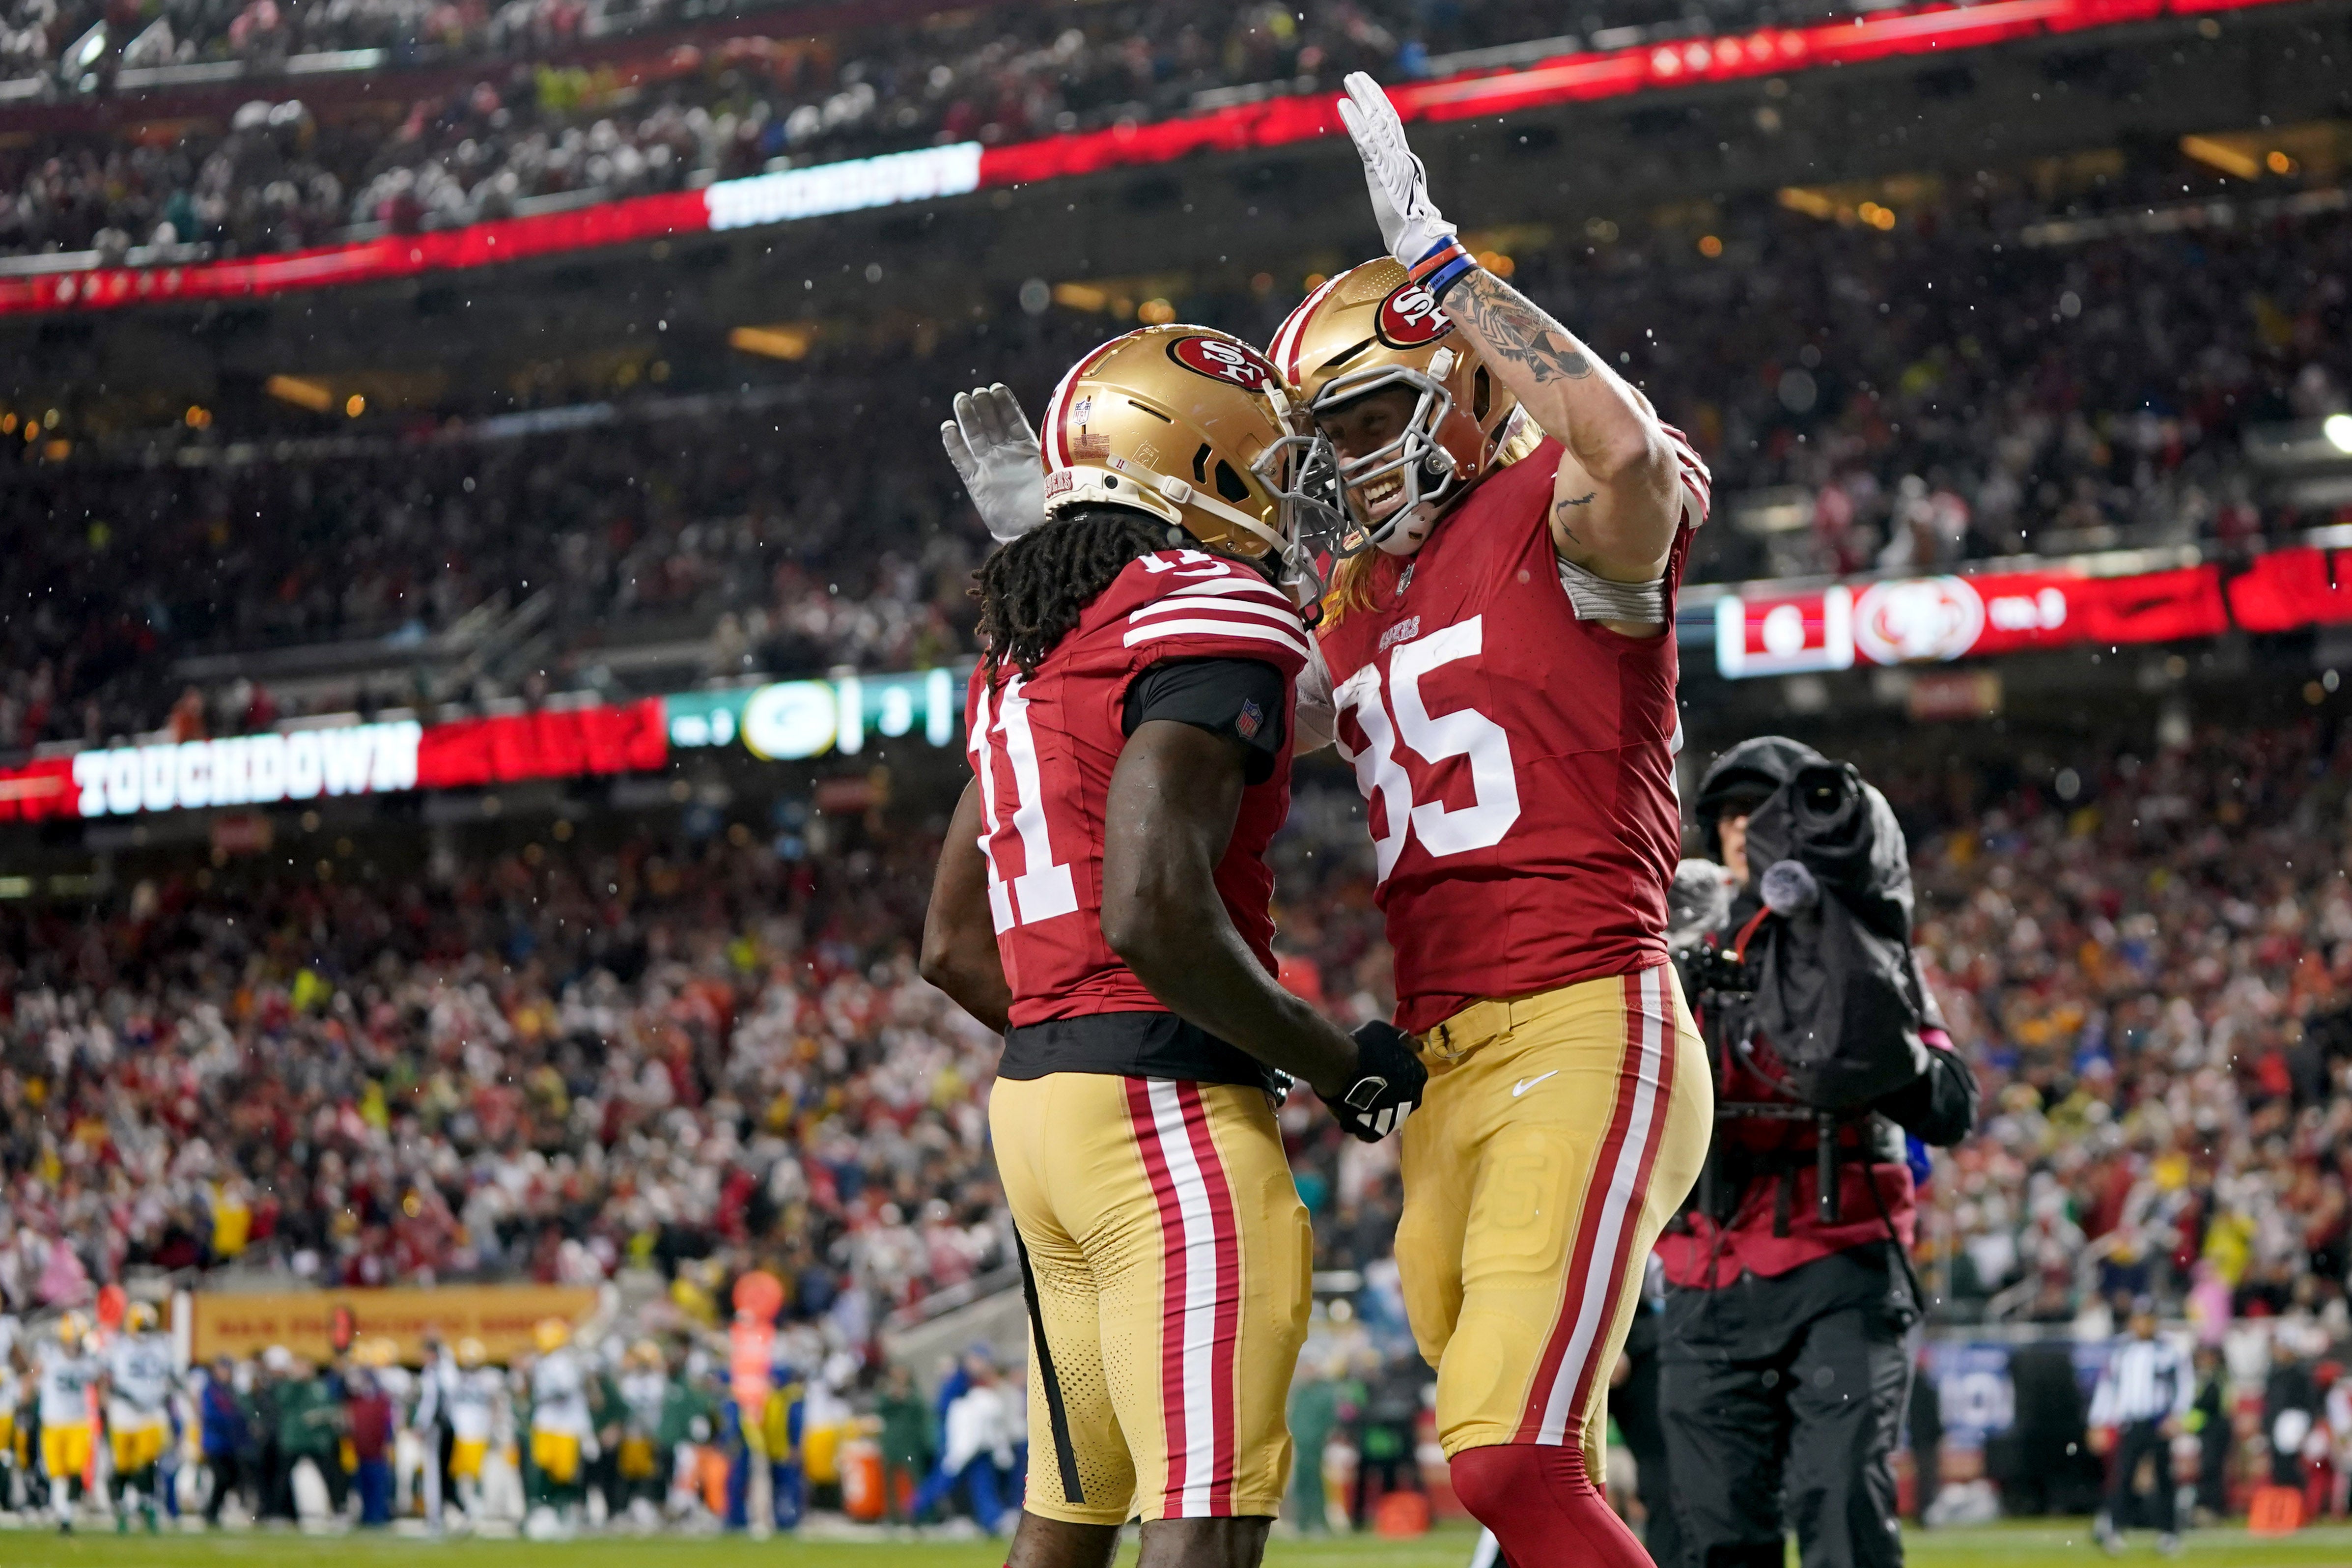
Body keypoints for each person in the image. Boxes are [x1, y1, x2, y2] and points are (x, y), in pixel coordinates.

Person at [1278, 75, 1716, 1568]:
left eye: (1368, 414)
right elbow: (1195, 723)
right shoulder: (1349, 595)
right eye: (1324, 435)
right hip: (1439, 1065)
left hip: (1584, 1013)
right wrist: (1081, 543)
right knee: (1522, 1463)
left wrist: (1449, 271)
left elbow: (1628, 457)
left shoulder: (1556, 503)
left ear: (1463, 384)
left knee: (1510, 1459)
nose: (1348, 459)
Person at [923, 323, 1424, 1568]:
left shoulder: (1020, 650)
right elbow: (1150, 911)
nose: (1290, 495)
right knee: (1205, 1523)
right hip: (1163, 1115)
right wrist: (1337, 1061)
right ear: (1203, 461)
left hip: (1038, 1110)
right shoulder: (1207, 605)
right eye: (1271, 463)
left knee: (1069, 1520)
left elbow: (951, 946)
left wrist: (1086, 1038)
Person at [1656, 738, 1979, 1568]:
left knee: (1841, 1511)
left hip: (1839, 1264)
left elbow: (1950, 1104)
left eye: (1766, 812)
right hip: (1705, 1271)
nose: (1746, 829)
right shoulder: (1674, 943)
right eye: (1732, 814)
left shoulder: (1862, 950)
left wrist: (1872, 1046)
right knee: (1715, 1533)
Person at [2089, 1304, 2191, 1555]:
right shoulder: (2121, 1351)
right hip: (2131, 1422)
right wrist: (2098, 1421)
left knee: (2164, 1477)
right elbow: (2107, 1387)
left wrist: (2178, 1416)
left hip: (2159, 1422)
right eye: (2138, 1319)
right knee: (2124, 1476)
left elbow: (2185, 1384)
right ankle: (2114, 1528)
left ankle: (2169, 1533)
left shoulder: (2169, 1350)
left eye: (2147, 1319)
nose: (2143, 1325)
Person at [104, 1302, 175, 1532]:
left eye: (148, 1327)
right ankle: (121, 1506)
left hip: (151, 1412)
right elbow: (105, 1378)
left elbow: (172, 1376)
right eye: (142, 1327)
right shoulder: (118, 1346)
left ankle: (146, 1504)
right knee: (123, 1466)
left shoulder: (163, 1346)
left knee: (147, 1462)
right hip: (124, 1412)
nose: (145, 1332)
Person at [36, 1312, 99, 1532]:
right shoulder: (48, 1356)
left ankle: (66, 1513)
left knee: (74, 1470)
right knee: (56, 1473)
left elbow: (100, 1381)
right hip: (52, 1422)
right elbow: (33, 1374)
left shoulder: (90, 1360)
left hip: (78, 1422)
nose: (75, 1345)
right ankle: (63, 1514)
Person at [198, 1355, 250, 1528]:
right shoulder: (211, 1390)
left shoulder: (232, 1390)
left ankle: (215, 1511)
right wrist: (232, 1422)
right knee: (222, 1478)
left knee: (231, 1478)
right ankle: (211, 1512)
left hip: (230, 1443)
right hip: (215, 1442)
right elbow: (211, 1415)